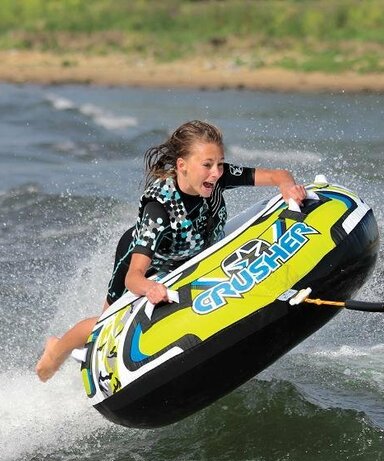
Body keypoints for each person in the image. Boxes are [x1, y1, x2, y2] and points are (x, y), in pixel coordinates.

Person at [36, 120, 306, 381]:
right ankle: (56, 351)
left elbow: (277, 175)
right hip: (143, 260)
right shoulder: (159, 211)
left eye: (220, 164)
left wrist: (287, 187)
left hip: (190, 253)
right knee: (106, 326)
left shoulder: (215, 178)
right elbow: (134, 278)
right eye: (208, 165)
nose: (216, 172)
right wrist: (150, 288)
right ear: (182, 166)